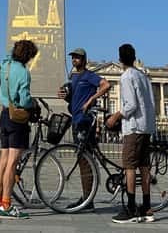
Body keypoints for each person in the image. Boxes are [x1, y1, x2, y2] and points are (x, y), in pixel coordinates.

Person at [106, 43, 156, 224]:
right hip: (146, 126)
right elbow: (150, 103)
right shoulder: (143, 76)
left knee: (129, 166)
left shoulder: (127, 77)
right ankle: (147, 207)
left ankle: (131, 207)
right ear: (133, 57)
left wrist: (115, 116)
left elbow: (131, 105)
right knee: (144, 167)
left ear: (120, 59)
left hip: (134, 128)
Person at [58, 47, 111, 211]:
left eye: (78, 57)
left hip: (85, 122)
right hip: (76, 120)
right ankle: (87, 197)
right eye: (73, 57)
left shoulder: (89, 75)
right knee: (84, 159)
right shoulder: (74, 77)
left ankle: (87, 199)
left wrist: (91, 100)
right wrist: (65, 96)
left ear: (84, 60)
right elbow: (74, 99)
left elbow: (106, 85)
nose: (74, 59)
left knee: (84, 159)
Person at [0, 39, 37, 220]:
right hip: (17, 118)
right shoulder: (24, 72)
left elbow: (5, 59)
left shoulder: (5, 66)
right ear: (28, 56)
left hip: (4, 115)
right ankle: (7, 204)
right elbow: (24, 99)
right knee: (12, 163)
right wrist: (31, 102)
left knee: (3, 162)